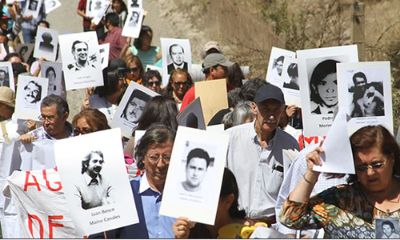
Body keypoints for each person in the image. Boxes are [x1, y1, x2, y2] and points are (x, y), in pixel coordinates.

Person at [279, 125, 400, 238]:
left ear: (392, 158)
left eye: (377, 165)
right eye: (361, 168)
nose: (370, 173)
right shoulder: (340, 200)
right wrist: (311, 174)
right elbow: (289, 217)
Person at [226, 83, 299, 225]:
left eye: (276, 110)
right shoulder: (231, 138)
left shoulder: (290, 145)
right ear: (254, 108)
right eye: (266, 109)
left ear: (283, 110)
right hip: (235, 224)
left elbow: (293, 190)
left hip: (272, 227)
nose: (271, 116)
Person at [91, 124, 176, 238]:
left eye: (167, 158)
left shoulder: (185, 196)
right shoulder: (123, 193)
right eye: (154, 157)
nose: (160, 165)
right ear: (143, 157)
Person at [173, 168, 248, 238]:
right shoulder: (190, 230)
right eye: (197, 196)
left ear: (228, 201)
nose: (200, 203)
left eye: (207, 198)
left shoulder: (248, 233)